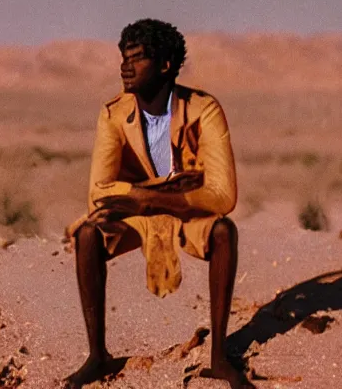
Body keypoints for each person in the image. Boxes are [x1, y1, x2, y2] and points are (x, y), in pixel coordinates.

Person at [63, 19, 253, 388]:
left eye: (136, 58)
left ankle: (219, 359)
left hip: (184, 215)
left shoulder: (204, 109)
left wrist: (139, 195)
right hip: (147, 213)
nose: (125, 66)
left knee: (224, 233)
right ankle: (98, 356)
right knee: (88, 235)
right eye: (123, 57)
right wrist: (158, 194)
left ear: (165, 65)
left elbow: (224, 196)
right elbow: (98, 193)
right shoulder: (113, 114)